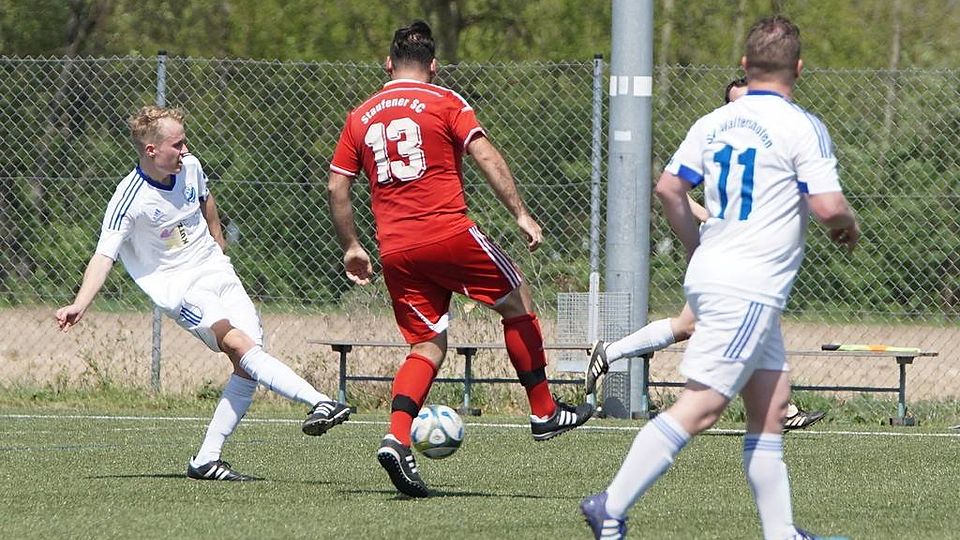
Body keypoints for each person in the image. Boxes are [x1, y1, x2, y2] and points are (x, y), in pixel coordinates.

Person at [581, 16, 858, 540]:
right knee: (702, 406)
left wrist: (698, 247)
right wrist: (849, 224)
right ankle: (610, 505)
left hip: (727, 279)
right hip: (748, 286)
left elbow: (669, 188)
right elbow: (827, 207)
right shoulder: (802, 126)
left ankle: (782, 533)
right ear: (799, 69)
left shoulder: (714, 121)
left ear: (745, 65)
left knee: (771, 407)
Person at [327, 20, 594, 498]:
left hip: (396, 250)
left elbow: (336, 185)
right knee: (517, 299)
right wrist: (521, 213)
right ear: (433, 65)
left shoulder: (359, 116)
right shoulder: (445, 100)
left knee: (426, 345)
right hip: (448, 233)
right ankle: (544, 411)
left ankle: (397, 437)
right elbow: (486, 156)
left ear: (387, 64)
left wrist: (351, 245)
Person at [56, 105, 350, 481]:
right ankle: (320, 401)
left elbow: (205, 199)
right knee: (239, 345)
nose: (185, 149)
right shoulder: (129, 198)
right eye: (177, 144)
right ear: (151, 150)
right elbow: (104, 255)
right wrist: (80, 303)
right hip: (180, 288)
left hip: (216, 271)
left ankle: (206, 460)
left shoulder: (190, 166)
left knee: (248, 363)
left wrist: (218, 243)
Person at [585, 76, 826, 432]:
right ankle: (776, 408)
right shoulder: (716, 139)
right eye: (736, 103)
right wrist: (702, 226)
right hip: (726, 251)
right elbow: (670, 188)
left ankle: (609, 352)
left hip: (745, 248)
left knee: (690, 325)